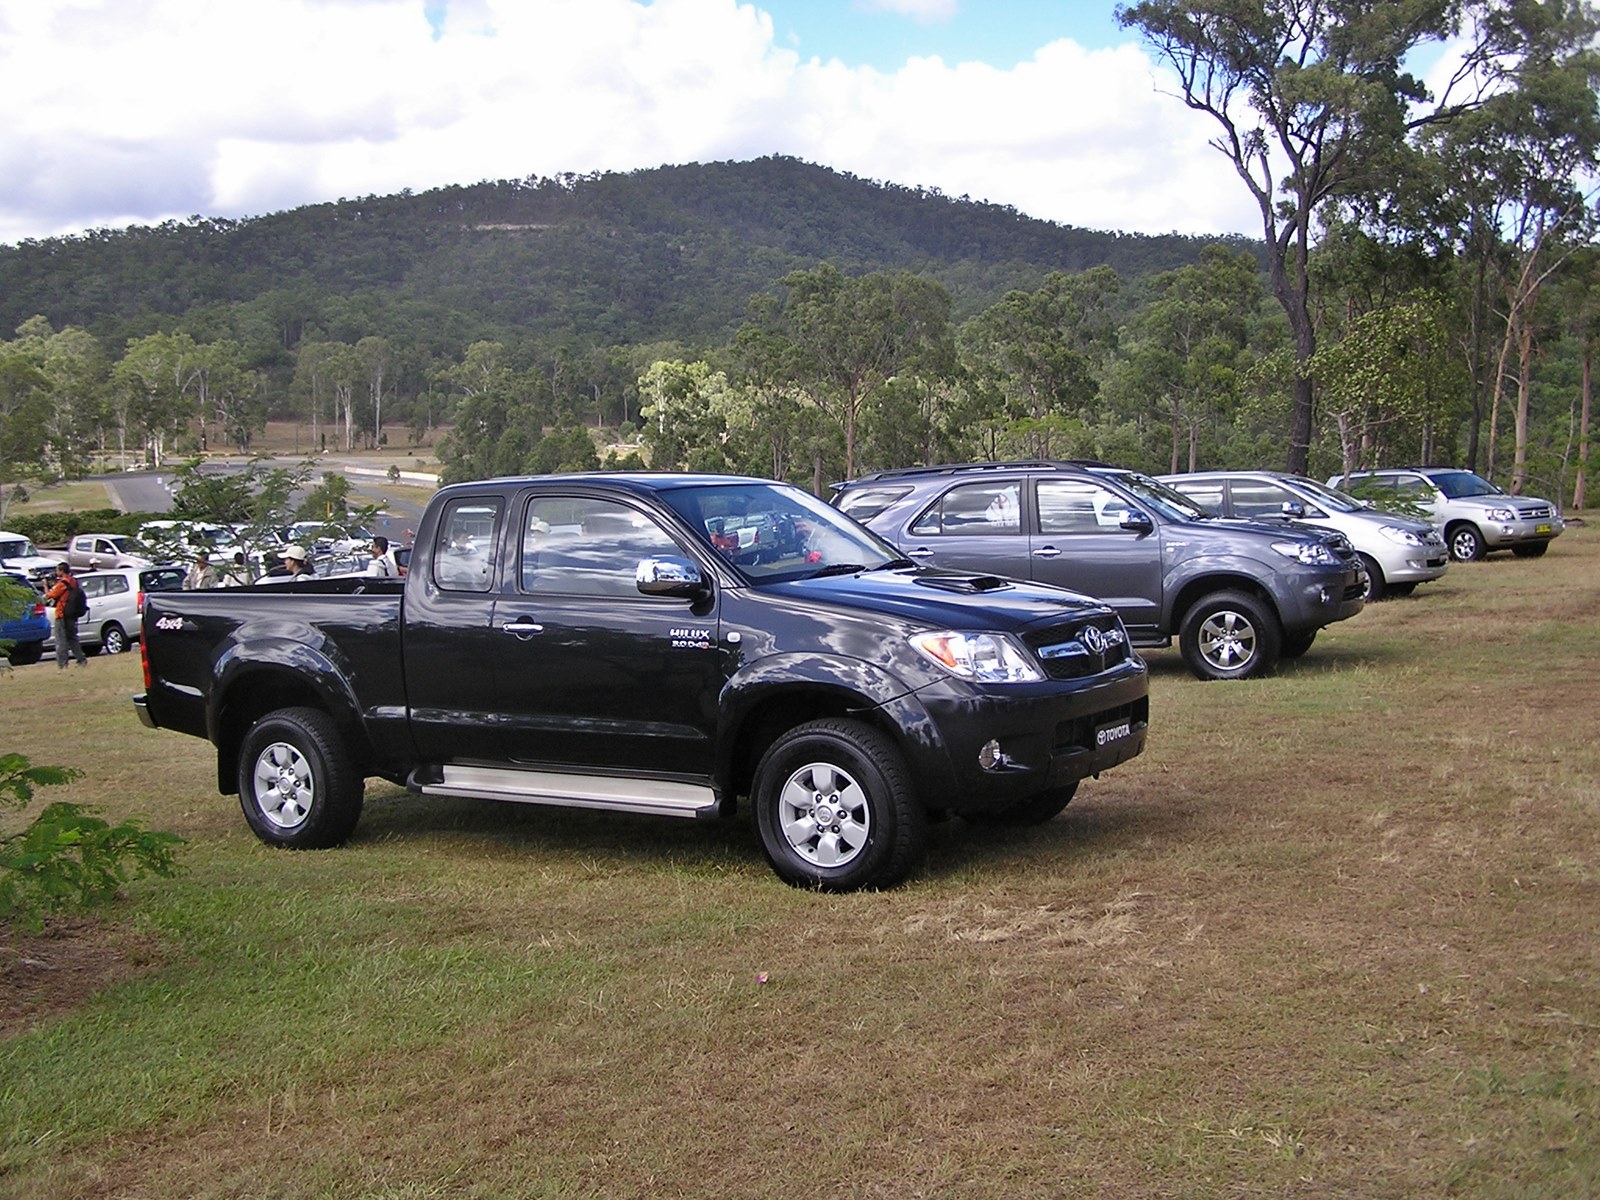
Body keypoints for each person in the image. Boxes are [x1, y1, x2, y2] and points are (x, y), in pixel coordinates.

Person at [42, 562, 88, 669]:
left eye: (57, 570)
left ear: (61, 571)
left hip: (62, 614)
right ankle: (81, 659)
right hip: (72, 613)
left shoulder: (63, 583)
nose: (56, 572)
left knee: (61, 640)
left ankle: (62, 663)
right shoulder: (73, 581)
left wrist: (45, 586)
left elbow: (50, 595)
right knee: (73, 638)